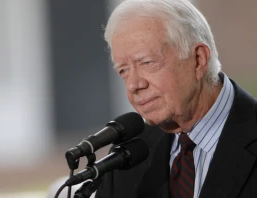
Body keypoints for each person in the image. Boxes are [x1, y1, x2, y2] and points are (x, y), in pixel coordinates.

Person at [95, 0, 257, 198]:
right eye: (123, 71)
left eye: (146, 62)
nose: (133, 85)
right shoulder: (125, 157)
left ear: (198, 60)